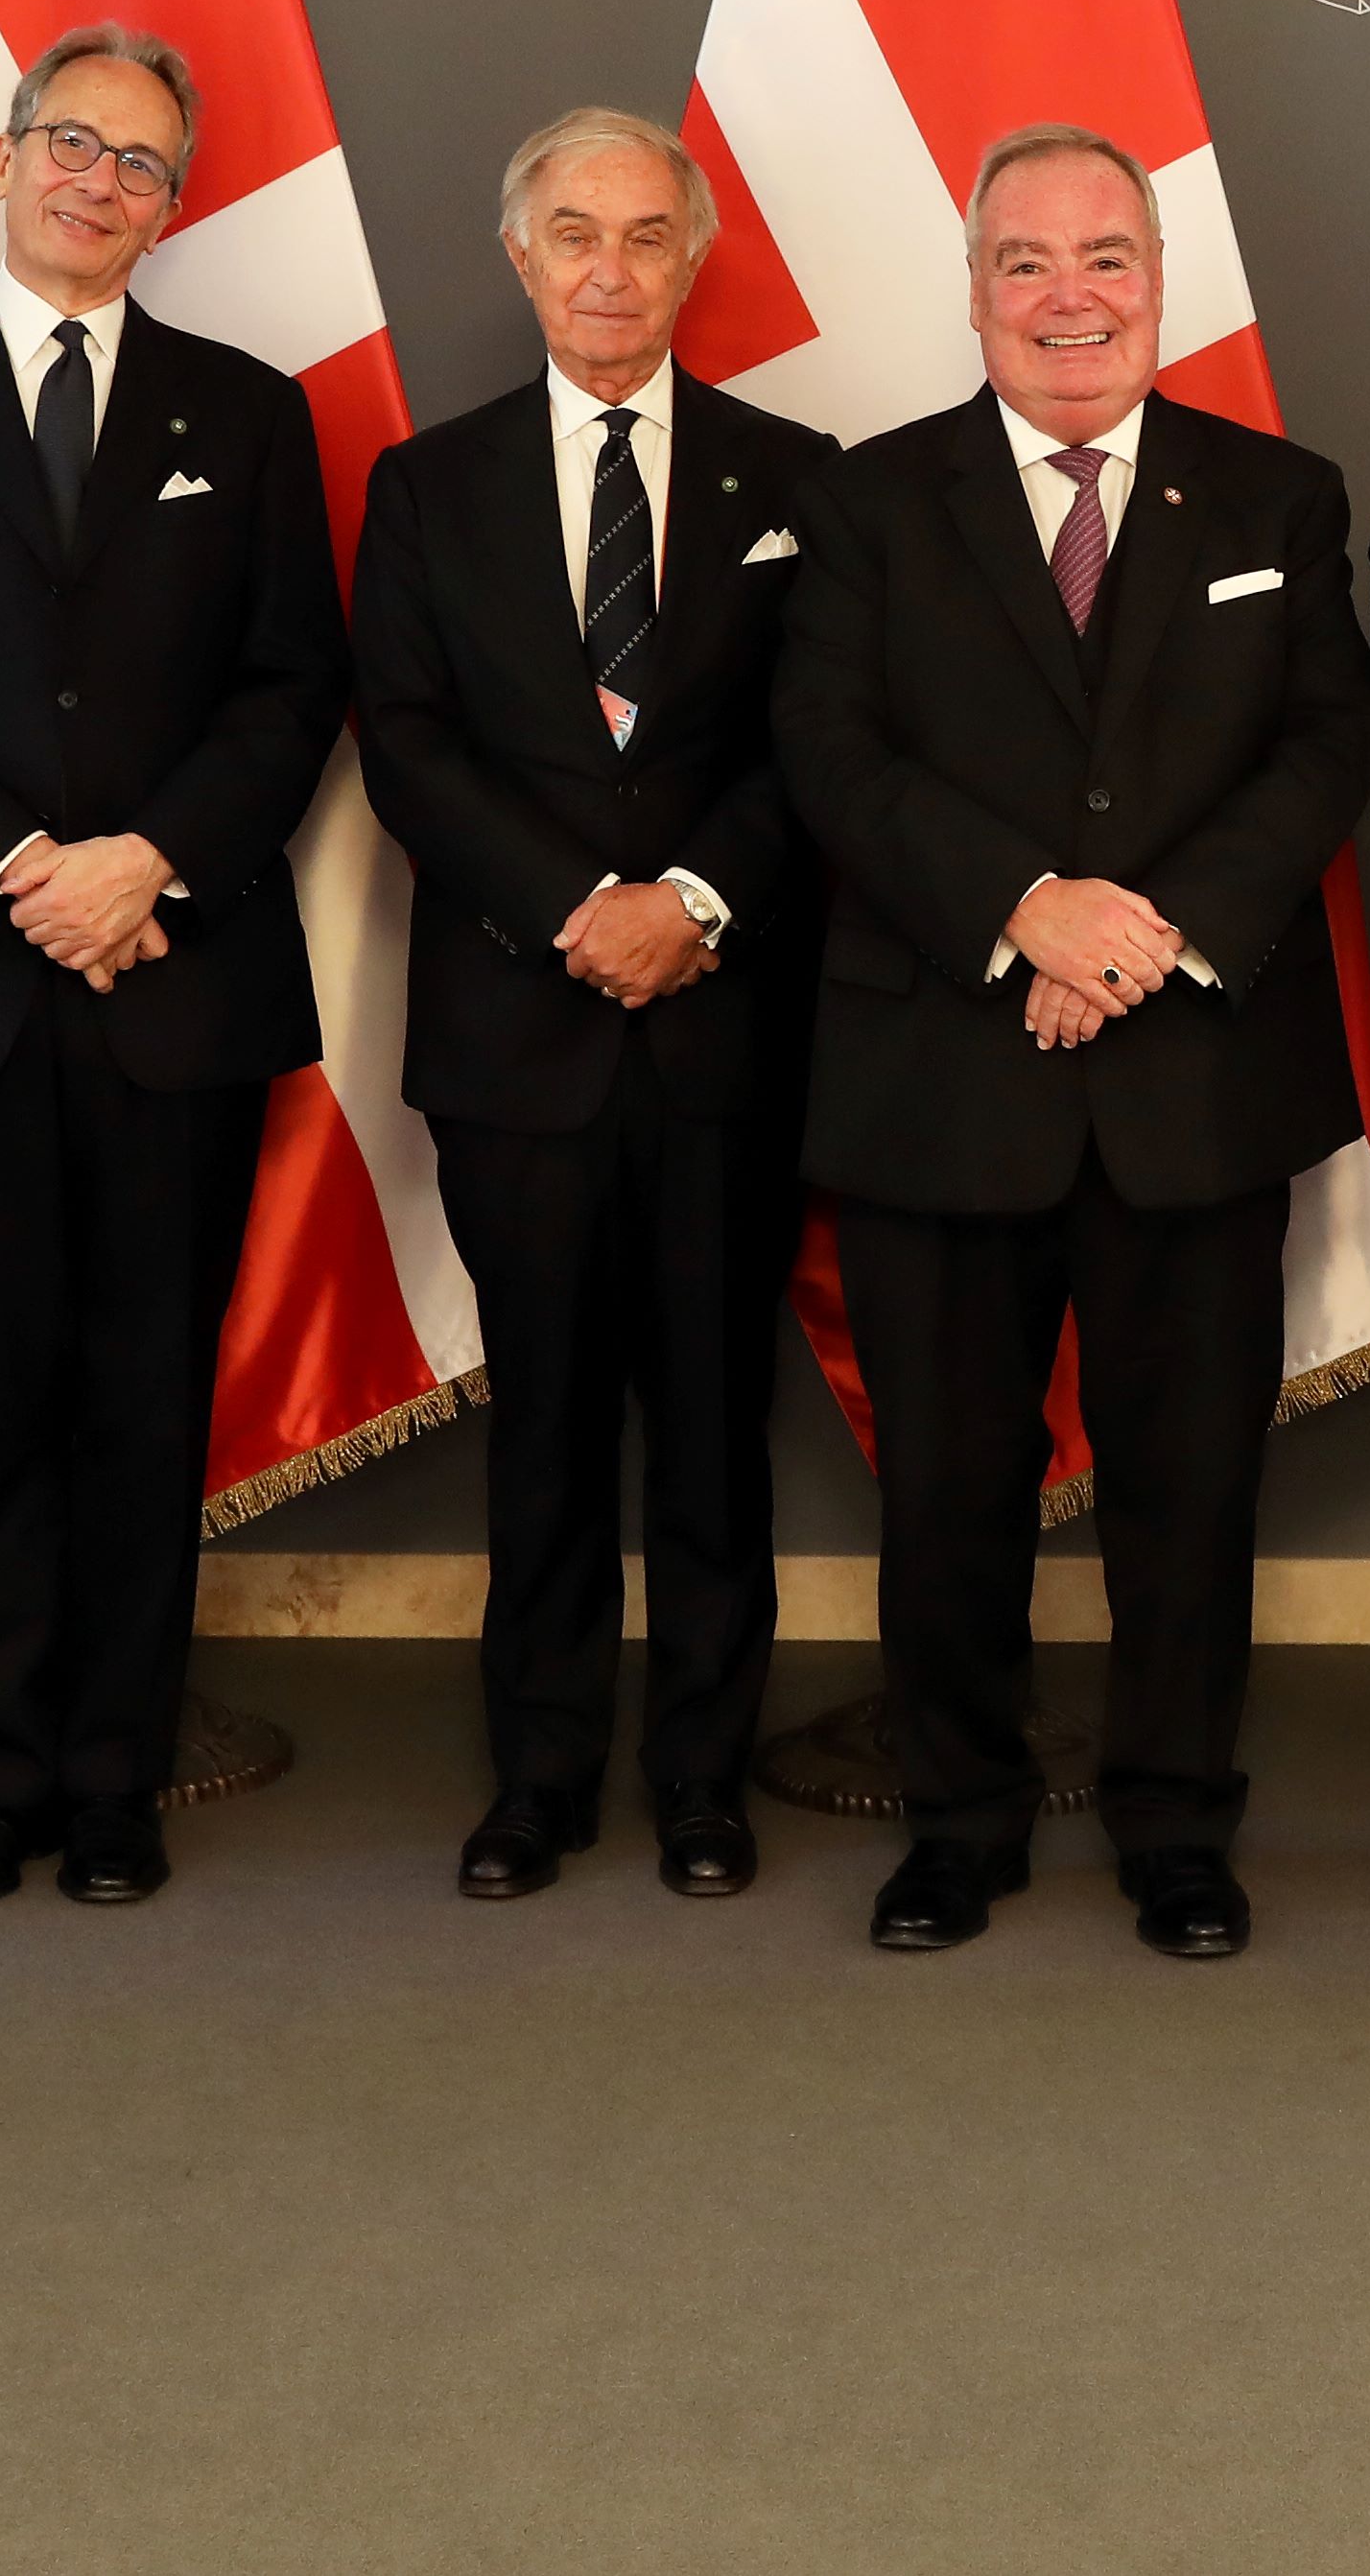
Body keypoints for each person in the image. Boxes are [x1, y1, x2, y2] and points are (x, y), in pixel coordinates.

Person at [768, 123, 1370, 1964]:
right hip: (943, 1074)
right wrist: (1026, 907)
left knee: (1192, 1491)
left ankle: (1179, 1826)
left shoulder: (1278, 497)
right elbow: (830, 750)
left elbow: (1323, 748)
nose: (1069, 297)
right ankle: (958, 1823)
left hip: (1194, 1078)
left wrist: (1140, 933)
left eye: (1105, 257)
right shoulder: (870, 501)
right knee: (948, 1489)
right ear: (972, 291)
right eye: (1024, 262)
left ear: (1159, 281)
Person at [0, 23, 346, 1916]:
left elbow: (292, 686)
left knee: (142, 1395)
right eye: (74, 144)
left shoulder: (246, 414)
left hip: (172, 980)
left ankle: (115, 1775)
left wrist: (144, 862)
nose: (101, 183)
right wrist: (26, 869)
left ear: (174, 205)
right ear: (6, 153)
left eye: (142, 163)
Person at [349, 109, 832, 1903]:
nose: (611, 270)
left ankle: (703, 1774)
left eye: (645, 235)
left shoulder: (799, 477)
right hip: (519, 1036)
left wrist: (689, 902)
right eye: (575, 233)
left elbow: (820, 739)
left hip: (722, 1031)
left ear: (693, 256)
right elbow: (409, 745)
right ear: (522, 256)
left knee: (712, 1425)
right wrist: (578, 912)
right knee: (544, 1424)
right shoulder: (429, 485)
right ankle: (540, 1776)